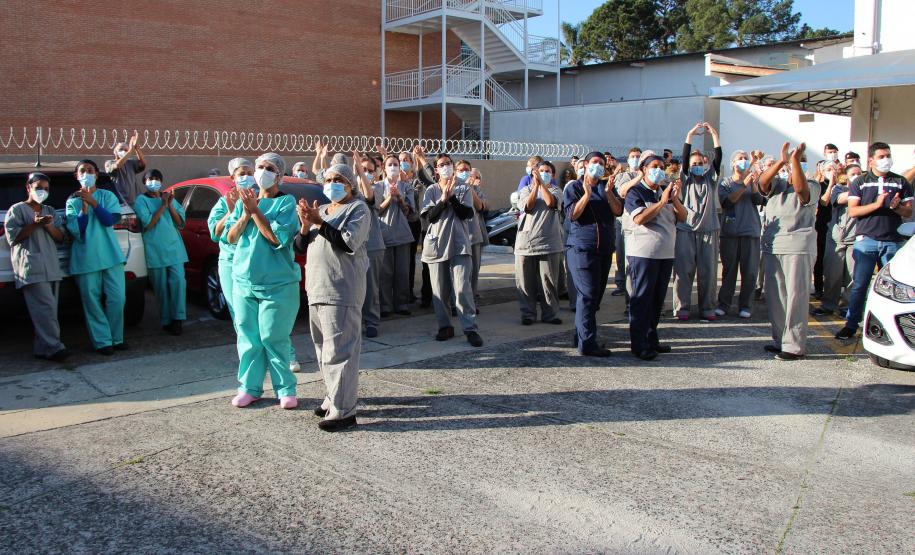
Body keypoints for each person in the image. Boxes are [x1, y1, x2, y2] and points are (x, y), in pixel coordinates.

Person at [296, 162, 370, 432]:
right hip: (316, 288)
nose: (332, 183)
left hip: (342, 288)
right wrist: (306, 225)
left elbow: (348, 242)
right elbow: (300, 246)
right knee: (323, 351)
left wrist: (318, 222)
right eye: (327, 179)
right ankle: (332, 398)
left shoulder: (358, 209)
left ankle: (345, 411)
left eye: (338, 178)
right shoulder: (323, 210)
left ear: (350, 183)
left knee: (341, 352)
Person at [223, 153, 300, 409]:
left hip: (277, 284)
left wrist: (255, 211)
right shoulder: (246, 201)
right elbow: (230, 237)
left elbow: (276, 238)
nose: (262, 172)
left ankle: (285, 388)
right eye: (260, 167)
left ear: (278, 175)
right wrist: (245, 213)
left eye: (269, 168)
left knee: (273, 336)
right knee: (248, 338)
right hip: (244, 281)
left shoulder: (285, 203)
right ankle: (249, 388)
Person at [835, 142, 914, 340]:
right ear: (871, 160)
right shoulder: (860, 182)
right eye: (881, 156)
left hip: (892, 242)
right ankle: (851, 325)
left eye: (888, 155)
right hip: (866, 241)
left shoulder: (901, 181)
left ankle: (891, 330)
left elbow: (908, 211)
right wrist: (877, 204)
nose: (886, 159)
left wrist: (896, 208)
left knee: (894, 288)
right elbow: (853, 211)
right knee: (859, 285)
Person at [758, 142, 819, 360]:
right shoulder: (778, 185)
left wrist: (794, 160)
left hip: (798, 247)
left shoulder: (812, 185)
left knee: (795, 297)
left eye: (798, 165)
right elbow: (762, 182)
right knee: (776, 297)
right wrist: (781, 161)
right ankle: (780, 340)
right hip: (773, 246)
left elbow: (802, 191)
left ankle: (794, 345)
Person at [624, 151, 686, 360]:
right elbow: (640, 218)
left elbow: (683, 217)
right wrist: (661, 202)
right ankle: (638, 344)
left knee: (657, 300)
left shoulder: (665, 191)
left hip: (665, 253)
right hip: (643, 254)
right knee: (642, 299)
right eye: (654, 167)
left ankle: (651, 339)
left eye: (661, 167)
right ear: (643, 170)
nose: (659, 171)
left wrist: (673, 200)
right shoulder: (636, 192)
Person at [4, 173, 69, 361]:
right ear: (28, 188)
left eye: (46, 189)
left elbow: (60, 237)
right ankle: (55, 347)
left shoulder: (49, 210)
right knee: (45, 309)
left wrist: (48, 226)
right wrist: (34, 224)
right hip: (31, 267)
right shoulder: (17, 210)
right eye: (39, 187)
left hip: (50, 265)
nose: (43, 192)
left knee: (48, 311)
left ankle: (42, 348)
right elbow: (13, 238)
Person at [420, 153, 484, 347]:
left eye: (448, 163)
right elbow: (430, 216)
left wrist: (452, 197)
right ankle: (445, 326)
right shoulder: (431, 190)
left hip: (459, 244)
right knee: (439, 289)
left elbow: (466, 213)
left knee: (463, 289)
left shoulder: (464, 188)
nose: (446, 167)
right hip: (436, 244)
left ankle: (470, 328)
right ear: (436, 170)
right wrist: (443, 199)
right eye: (442, 165)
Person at [563, 151, 622, 357]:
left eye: (602, 163)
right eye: (594, 162)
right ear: (586, 164)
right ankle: (587, 344)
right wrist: (587, 195)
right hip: (581, 249)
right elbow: (573, 215)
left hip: (604, 250)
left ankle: (581, 335)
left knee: (594, 298)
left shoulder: (605, 188)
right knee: (587, 295)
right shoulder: (574, 187)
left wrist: (608, 193)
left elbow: (618, 211)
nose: (598, 166)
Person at [66, 160, 127, 355]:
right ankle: (103, 342)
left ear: (97, 174)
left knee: (117, 298)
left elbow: (109, 220)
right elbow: (78, 230)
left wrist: (93, 202)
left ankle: (117, 338)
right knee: (91, 302)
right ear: (77, 176)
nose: (86, 173)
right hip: (85, 259)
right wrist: (84, 207)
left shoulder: (107, 196)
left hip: (110, 255)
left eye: (90, 170)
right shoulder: (72, 202)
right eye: (82, 171)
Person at [674, 122, 722, 321]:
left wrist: (715, 136)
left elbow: (718, 158)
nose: (696, 166)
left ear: (705, 164)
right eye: (693, 164)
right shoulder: (686, 180)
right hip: (686, 230)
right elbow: (684, 159)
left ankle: (707, 308)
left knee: (708, 272)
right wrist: (689, 135)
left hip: (709, 230)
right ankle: (682, 308)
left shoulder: (710, 178)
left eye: (700, 163)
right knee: (683, 272)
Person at [133, 170, 188, 335]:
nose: (154, 181)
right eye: (150, 179)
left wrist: (169, 205)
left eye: (157, 178)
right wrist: (162, 205)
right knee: (161, 287)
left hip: (174, 249)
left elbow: (180, 222)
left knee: (178, 283)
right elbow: (148, 224)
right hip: (155, 249)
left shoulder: (169, 198)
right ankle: (166, 320)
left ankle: (178, 319)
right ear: (144, 181)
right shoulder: (141, 201)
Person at [716, 150, 766, 318]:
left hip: (750, 231)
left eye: (745, 158)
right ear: (733, 163)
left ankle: (745, 305)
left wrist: (752, 185)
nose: (743, 161)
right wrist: (744, 185)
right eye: (740, 159)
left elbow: (759, 201)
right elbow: (728, 202)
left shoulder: (752, 181)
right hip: (730, 233)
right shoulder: (726, 183)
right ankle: (724, 304)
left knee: (750, 272)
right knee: (729, 271)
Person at [515, 160, 564, 326]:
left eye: (547, 171)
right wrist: (535, 186)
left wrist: (542, 184)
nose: (543, 173)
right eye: (540, 170)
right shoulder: (526, 190)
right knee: (525, 281)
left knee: (548, 281)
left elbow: (551, 203)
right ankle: (528, 314)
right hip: (526, 242)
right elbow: (527, 207)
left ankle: (550, 314)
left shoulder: (556, 190)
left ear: (553, 174)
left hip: (549, 242)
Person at [813, 162, 861, 316]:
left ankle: (846, 306)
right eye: (853, 174)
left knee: (852, 277)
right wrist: (860, 189)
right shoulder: (838, 189)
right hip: (836, 238)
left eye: (859, 174)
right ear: (846, 176)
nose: (857, 177)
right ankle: (828, 304)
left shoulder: (865, 191)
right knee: (832, 274)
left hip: (855, 238)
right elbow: (838, 200)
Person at [207, 158, 251, 321]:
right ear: (233, 177)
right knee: (239, 314)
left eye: (249, 173)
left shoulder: (258, 200)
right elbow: (215, 233)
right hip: (230, 262)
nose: (246, 177)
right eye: (242, 174)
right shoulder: (223, 202)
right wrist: (230, 212)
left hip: (252, 262)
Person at [375, 154, 415, 317]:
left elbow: (411, 213)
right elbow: (376, 210)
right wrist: (389, 197)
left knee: (402, 272)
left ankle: (402, 303)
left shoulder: (407, 187)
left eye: (395, 164)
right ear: (384, 168)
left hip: (402, 235)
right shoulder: (377, 187)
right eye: (390, 164)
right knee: (385, 273)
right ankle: (385, 305)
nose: (393, 167)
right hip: (383, 235)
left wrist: (399, 198)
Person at [355, 152, 386, 338]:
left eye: (369, 170)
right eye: (362, 169)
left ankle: (372, 320)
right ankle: (355, 320)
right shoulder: (348, 189)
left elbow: (369, 198)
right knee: (354, 286)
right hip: (353, 246)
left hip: (372, 245)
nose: (365, 172)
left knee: (371, 286)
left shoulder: (377, 188)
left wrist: (361, 173)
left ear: (375, 174)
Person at [407, 146, 438, 307]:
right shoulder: (431, 185)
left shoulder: (448, 184)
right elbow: (422, 177)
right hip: (428, 229)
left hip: (445, 231)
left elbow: (431, 176)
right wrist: (419, 160)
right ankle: (427, 297)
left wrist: (422, 158)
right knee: (427, 265)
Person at [612, 147, 642, 302]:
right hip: (624, 220)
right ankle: (621, 283)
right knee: (622, 254)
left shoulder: (646, 174)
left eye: (638, 156)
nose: (635, 159)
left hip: (641, 221)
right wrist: (639, 178)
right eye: (633, 156)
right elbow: (623, 192)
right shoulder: (623, 175)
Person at [455, 160, 486, 304]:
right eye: (461, 170)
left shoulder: (475, 189)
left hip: (474, 234)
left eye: (466, 169)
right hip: (457, 234)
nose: (464, 172)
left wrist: (470, 188)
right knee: (460, 272)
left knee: (473, 271)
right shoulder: (452, 186)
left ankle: (472, 299)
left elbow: (480, 206)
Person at [813, 144, 840, 299]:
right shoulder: (819, 185)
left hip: (838, 225)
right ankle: (818, 287)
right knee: (821, 256)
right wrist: (830, 184)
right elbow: (824, 202)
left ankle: (833, 289)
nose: (832, 172)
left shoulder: (842, 185)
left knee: (834, 259)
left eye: (834, 169)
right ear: (822, 172)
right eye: (829, 170)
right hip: (822, 224)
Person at [104, 131, 146, 205]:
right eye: (121, 149)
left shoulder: (131, 163)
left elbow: (143, 165)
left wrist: (137, 149)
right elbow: (117, 166)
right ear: (115, 152)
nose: (124, 151)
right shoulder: (109, 163)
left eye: (126, 150)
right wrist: (130, 151)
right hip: (120, 201)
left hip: (135, 201)